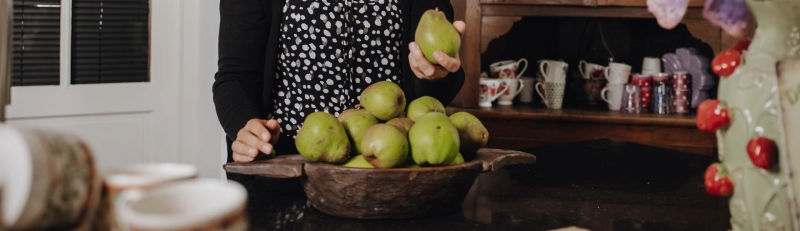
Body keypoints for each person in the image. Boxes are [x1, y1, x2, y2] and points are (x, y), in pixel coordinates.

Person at [213, 0, 466, 170]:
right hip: (285, 170)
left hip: (392, 171)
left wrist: (436, 75)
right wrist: (247, 129)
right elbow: (235, 77)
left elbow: (435, 90)